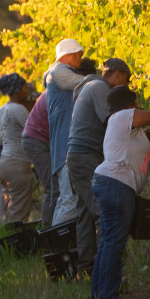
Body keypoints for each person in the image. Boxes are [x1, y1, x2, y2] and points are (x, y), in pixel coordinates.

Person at [90, 84, 150, 299]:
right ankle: (109, 298)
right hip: (116, 185)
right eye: (136, 102)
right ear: (129, 104)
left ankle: (99, 296)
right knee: (114, 241)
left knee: (108, 241)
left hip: (112, 184)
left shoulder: (124, 126)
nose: (138, 106)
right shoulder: (122, 116)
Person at [63, 57, 133, 276]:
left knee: (84, 214)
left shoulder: (89, 86)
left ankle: (86, 268)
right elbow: (112, 122)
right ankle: (108, 271)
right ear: (118, 74)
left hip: (76, 156)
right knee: (104, 211)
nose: (127, 85)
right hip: (85, 157)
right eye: (126, 79)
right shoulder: (100, 88)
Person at [41, 39, 93, 230]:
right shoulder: (58, 72)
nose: (80, 58)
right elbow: (86, 84)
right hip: (66, 149)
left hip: (65, 148)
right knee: (70, 201)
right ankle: (58, 245)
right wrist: (107, 81)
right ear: (68, 55)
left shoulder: (59, 74)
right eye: (78, 54)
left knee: (66, 199)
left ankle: (56, 243)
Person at [0, 73, 38, 224]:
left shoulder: (3, 109)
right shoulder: (18, 109)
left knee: (7, 212)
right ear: (17, 90)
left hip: (2, 164)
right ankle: (17, 245)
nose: (27, 91)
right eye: (25, 87)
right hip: (17, 164)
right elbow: (34, 132)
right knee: (20, 213)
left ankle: (4, 243)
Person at [21, 75, 53, 219]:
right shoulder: (19, 113)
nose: (33, 103)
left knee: (53, 186)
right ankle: (47, 228)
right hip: (36, 144)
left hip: (39, 143)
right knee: (52, 187)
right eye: (31, 101)